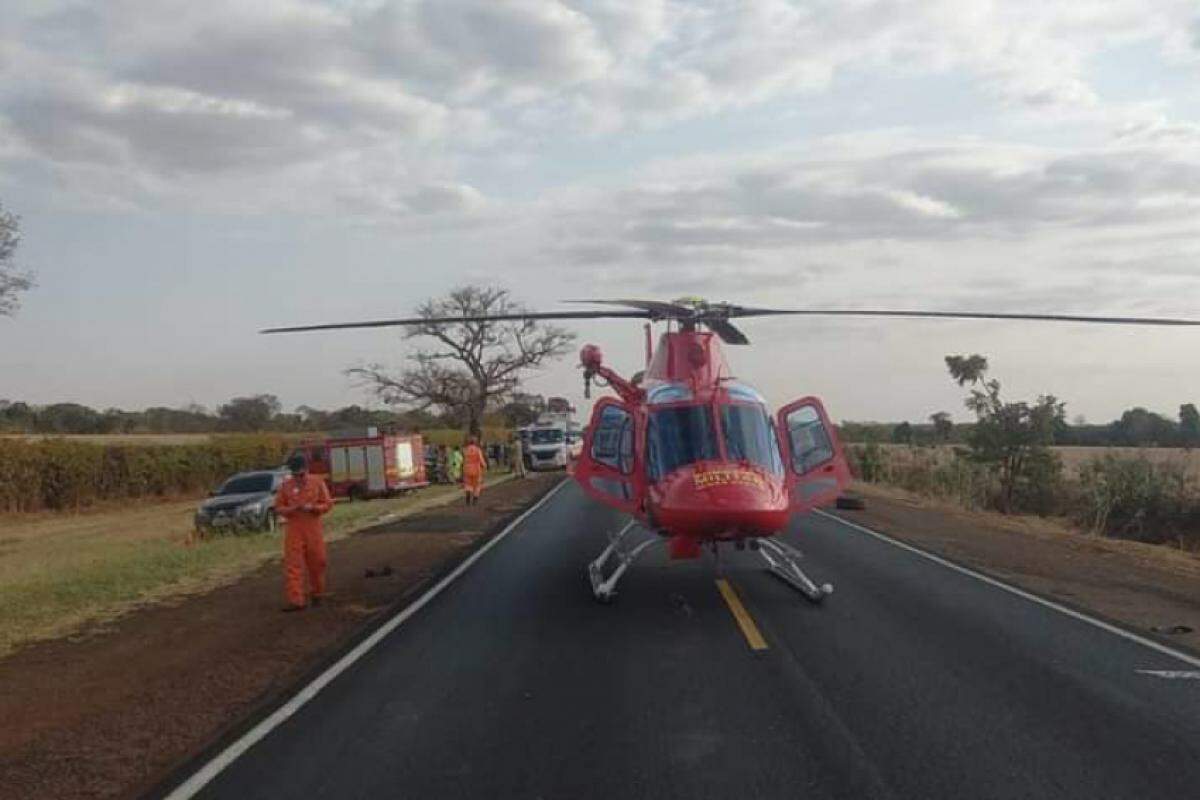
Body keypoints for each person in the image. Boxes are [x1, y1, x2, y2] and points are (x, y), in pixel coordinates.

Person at [274, 454, 333, 612]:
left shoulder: (317, 482)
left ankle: (318, 594)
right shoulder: (285, 486)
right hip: (294, 528)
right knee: (293, 564)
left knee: (318, 562)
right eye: (294, 474)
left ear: (306, 470)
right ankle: (296, 600)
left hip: (313, 526)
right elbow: (278, 507)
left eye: (300, 474)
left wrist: (314, 508)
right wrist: (290, 509)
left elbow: (327, 503)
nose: (298, 477)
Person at [462, 436, 489, 505]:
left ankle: (468, 497)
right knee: (477, 485)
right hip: (476, 469)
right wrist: (485, 466)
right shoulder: (477, 450)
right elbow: (481, 459)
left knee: (468, 484)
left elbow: (463, 459)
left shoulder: (465, 450)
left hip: (467, 469)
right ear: (475, 442)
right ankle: (475, 499)